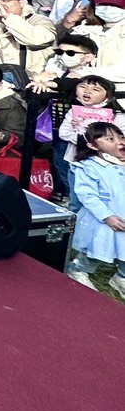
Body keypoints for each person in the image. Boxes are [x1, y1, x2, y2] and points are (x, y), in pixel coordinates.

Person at [68, 121, 125, 292]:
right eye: (110, 139)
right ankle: (78, 270)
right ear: (93, 145)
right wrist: (106, 215)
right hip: (103, 220)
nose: (119, 142)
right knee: (97, 249)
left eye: (121, 137)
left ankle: (121, 277)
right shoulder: (89, 167)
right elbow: (87, 195)